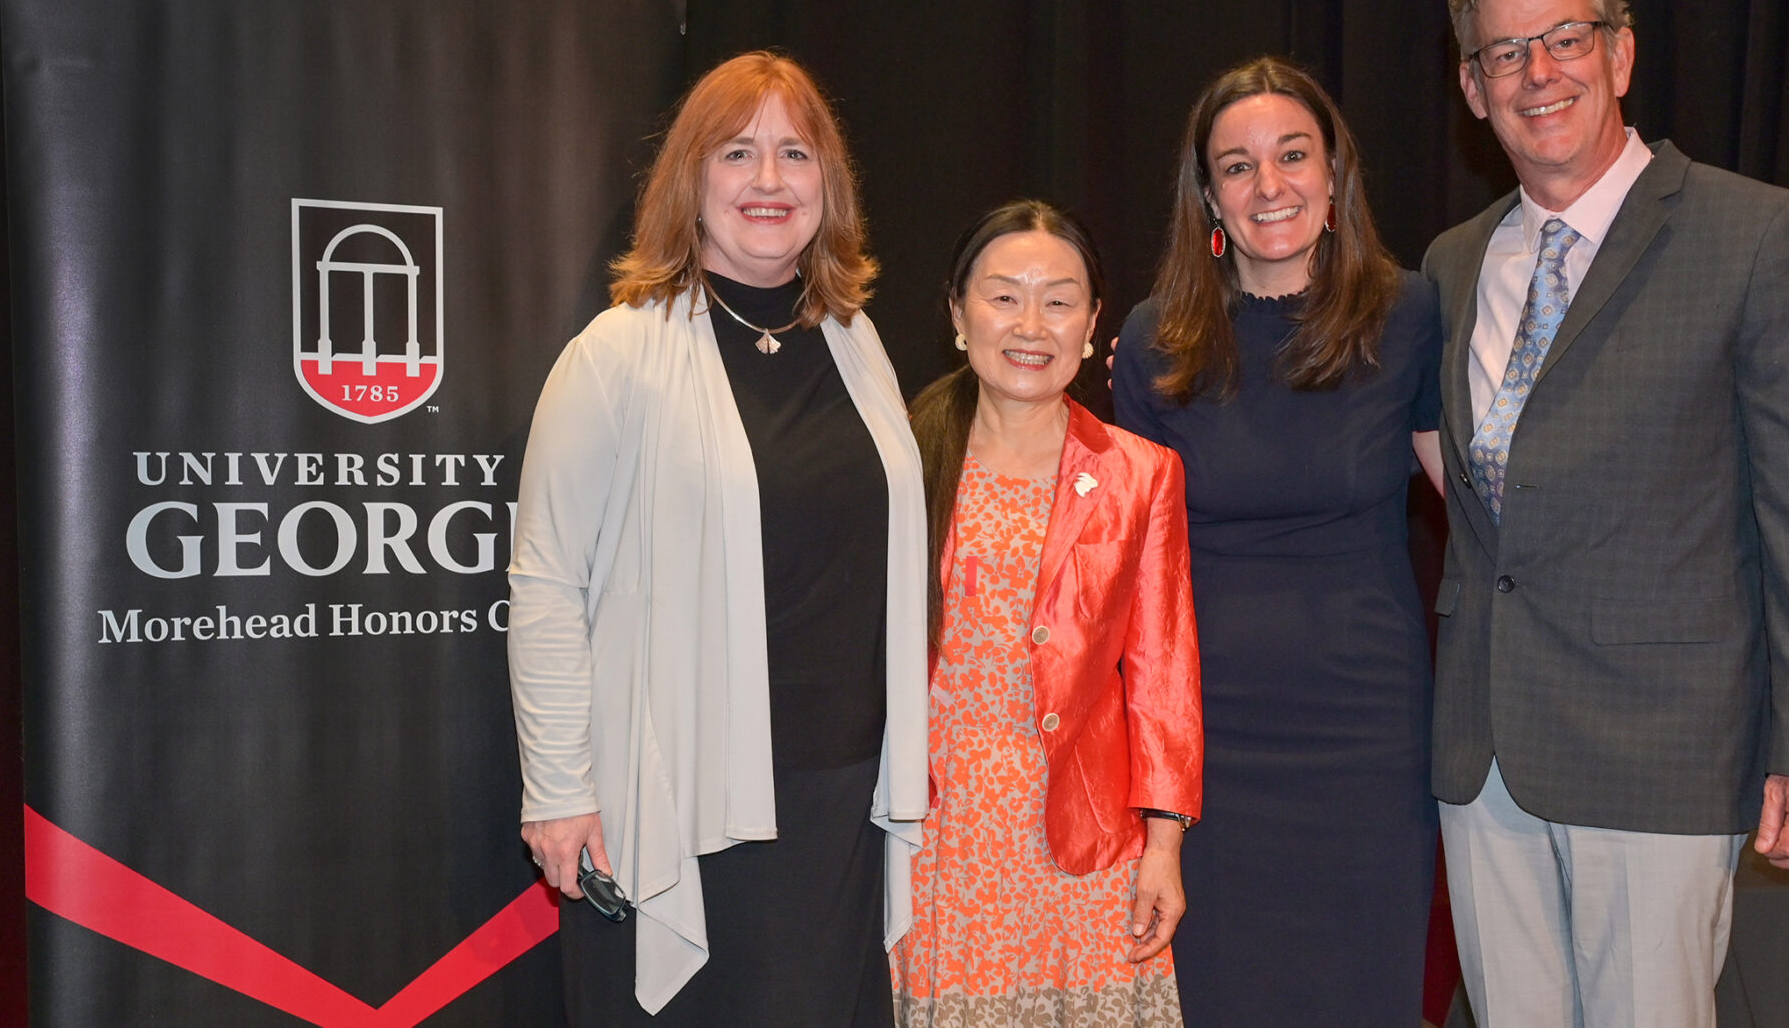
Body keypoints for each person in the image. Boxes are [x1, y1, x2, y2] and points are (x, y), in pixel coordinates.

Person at [1422, 0, 1789, 1028]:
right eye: (1503, 54)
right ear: (1471, 89)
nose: (1538, 74)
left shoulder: (1755, 233)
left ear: (1618, 55)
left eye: (1563, 39)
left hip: (1660, 752)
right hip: (1482, 757)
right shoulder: (1449, 263)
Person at [506, 50, 928, 1026]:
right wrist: (560, 791)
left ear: (831, 181)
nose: (770, 181)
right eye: (738, 153)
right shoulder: (615, 355)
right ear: (690, 179)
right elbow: (546, 585)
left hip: (835, 802)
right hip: (673, 803)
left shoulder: (853, 341)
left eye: (795, 152)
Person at [1111, 57, 1445, 1028]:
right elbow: (1126, 565)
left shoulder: (1408, 312)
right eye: (1237, 165)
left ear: (1333, 172)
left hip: (1366, 736)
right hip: (1205, 747)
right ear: (1205, 193)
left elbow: (1472, 505)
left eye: (1291, 155)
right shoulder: (1153, 339)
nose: (1269, 187)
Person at [893, 199, 1203, 1026]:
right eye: (1004, 296)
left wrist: (1164, 847)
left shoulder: (1142, 475)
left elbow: (1163, 681)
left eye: (1059, 300)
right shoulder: (895, 458)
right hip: (935, 841)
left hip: (1083, 848)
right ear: (958, 314)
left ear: (1094, 322)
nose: (1031, 324)